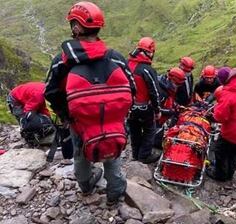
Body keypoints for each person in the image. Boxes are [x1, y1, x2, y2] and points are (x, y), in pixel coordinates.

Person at [45, 2, 134, 205]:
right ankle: (115, 194)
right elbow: (132, 88)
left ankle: (86, 186)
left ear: (76, 28)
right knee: (113, 155)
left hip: (80, 122)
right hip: (113, 120)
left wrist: (66, 114)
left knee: (80, 154)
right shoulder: (116, 58)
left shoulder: (63, 60)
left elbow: (50, 91)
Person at [206, 67, 236, 181]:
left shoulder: (228, 94)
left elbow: (221, 116)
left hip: (232, 132)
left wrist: (211, 117)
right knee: (235, 153)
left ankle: (220, 175)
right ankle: (229, 174)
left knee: (220, 151)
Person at [127, 37, 161, 163]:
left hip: (129, 107)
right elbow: (154, 92)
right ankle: (144, 156)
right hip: (144, 107)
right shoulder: (147, 70)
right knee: (149, 130)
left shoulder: (127, 64)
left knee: (134, 130)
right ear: (150, 52)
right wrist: (157, 110)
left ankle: (136, 154)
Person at [154, 67, 186, 148]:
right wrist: (171, 111)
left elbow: (170, 99)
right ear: (171, 79)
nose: (178, 86)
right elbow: (156, 108)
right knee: (157, 140)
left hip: (162, 118)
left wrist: (176, 106)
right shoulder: (160, 90)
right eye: (177, 84)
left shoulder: (167, 87)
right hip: (156, 119)